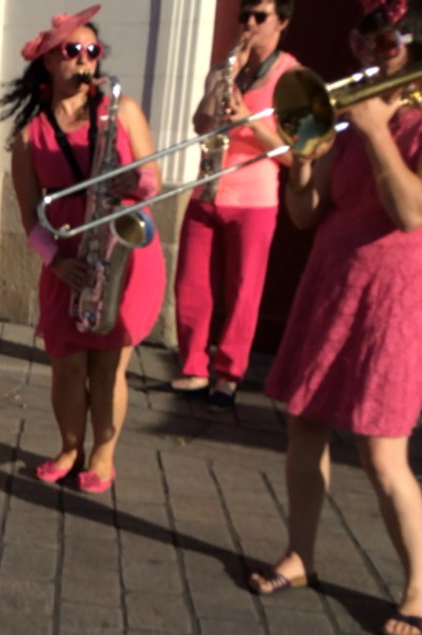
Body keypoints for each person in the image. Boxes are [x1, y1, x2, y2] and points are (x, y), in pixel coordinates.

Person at [252, 0, 422, 635]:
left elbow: (411, 213)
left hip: (394, 291)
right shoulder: (350, 113)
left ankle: (418, 587)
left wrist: (378, 130)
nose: (374, 48)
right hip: (332, 279)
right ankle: (301, 556)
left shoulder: (401, 119)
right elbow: (305, 212)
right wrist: (300, 160)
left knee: (382, 452)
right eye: (367, 37)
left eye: (389, 38)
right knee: (305, 425)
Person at [1, 5, 165, 494]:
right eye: (73, 51)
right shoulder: (28, 139)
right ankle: (70, 447)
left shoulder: (123, 110)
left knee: (109, 364)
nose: (85, 60)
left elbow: (153, 183)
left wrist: (139, 179)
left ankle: (103, 454)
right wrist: (58, 261)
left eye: (93, 51)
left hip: (124, 253)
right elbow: (30, 220)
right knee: (68, 366)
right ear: (50, 61)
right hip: (68, 259)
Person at [171, 0, 299, 409]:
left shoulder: (291, 76)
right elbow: (200, 123)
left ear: (282, 22)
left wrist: (248, 120)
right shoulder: (228, 66)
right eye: (245, 15)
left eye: (260, 17)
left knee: (243, 289)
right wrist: (222, 76)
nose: (249, 24)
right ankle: (192, 368)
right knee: (192, 284)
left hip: (254, 197)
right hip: (207, 188)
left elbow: (294, 154)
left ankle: (227, 374)